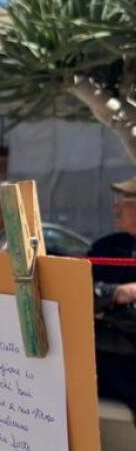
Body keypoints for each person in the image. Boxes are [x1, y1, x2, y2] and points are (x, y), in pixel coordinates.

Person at [88, 175, 136, 418]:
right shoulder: (107, 248)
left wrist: (101, 309)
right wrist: (117, 293)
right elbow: (76, 293)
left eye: (124, 199)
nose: (115, 207)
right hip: (98, 362)